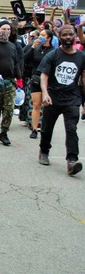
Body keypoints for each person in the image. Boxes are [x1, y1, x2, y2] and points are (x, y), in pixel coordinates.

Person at [38, 25, 85, 176]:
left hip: (72, 98)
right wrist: (45, 93)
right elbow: (44, 76)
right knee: (47, 128)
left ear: (74, 36)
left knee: (71, 129)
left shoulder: (81, 56)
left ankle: (71, 161)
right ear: (59, 36)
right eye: (64, 35)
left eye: (70, 34)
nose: (67, 37)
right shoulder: (53, 55)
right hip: (53, 97)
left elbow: (83, 79)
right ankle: (44, 151)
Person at [23, 28, 55, 139]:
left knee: (46, 106)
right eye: (39, 34)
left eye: (43, 35)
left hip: (47, 80)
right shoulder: (35, 48)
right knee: (36, 104)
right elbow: (24, 58)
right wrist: (32, 47)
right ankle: (34, 129)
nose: (40, 36)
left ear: (49, 38)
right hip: (35, 78)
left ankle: (45, 128)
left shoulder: (53, 50)